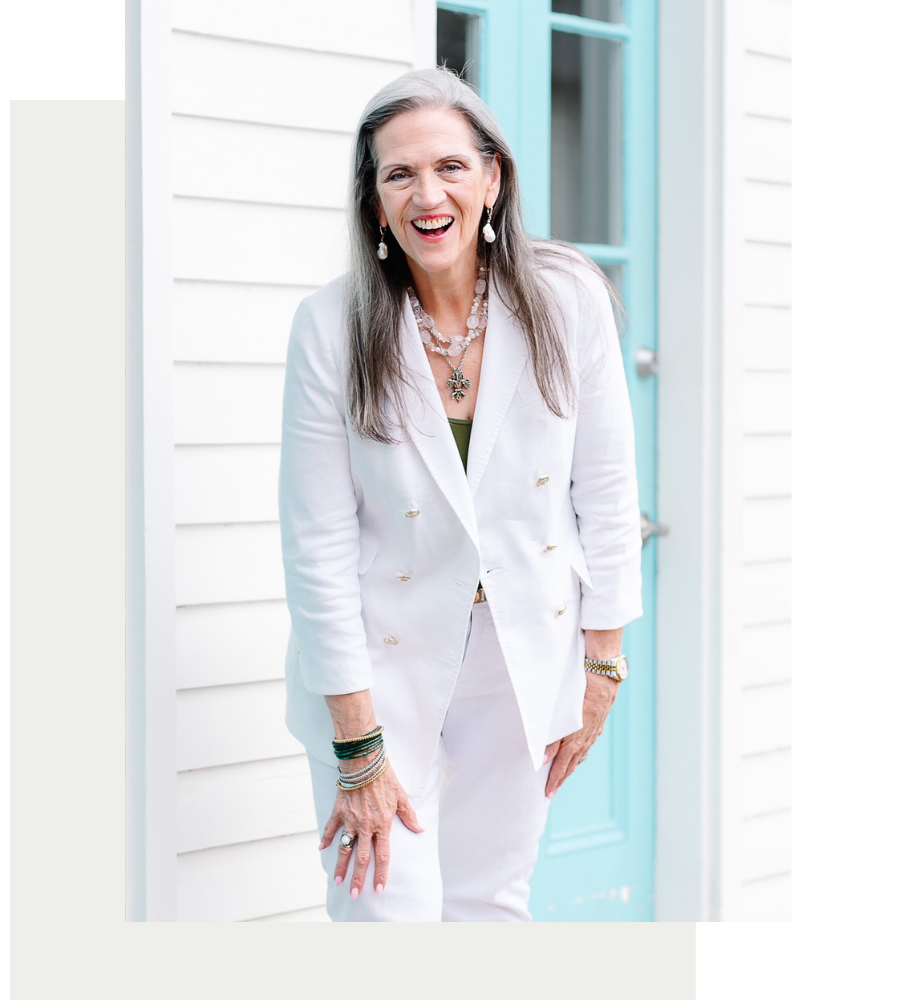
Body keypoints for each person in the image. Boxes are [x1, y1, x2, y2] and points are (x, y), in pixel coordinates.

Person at [278, 66, 642, 922]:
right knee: (383, 914)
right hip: (375, 668)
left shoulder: (567, 297)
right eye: (398, 174)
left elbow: (608, 486)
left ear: (493, 178)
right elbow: (317, 544)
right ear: (373, 203)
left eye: (449, 166)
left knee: (489, 906)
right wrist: (358, 747)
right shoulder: (331, 328)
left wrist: (600, 664)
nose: (426, 193)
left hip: (523, 655)